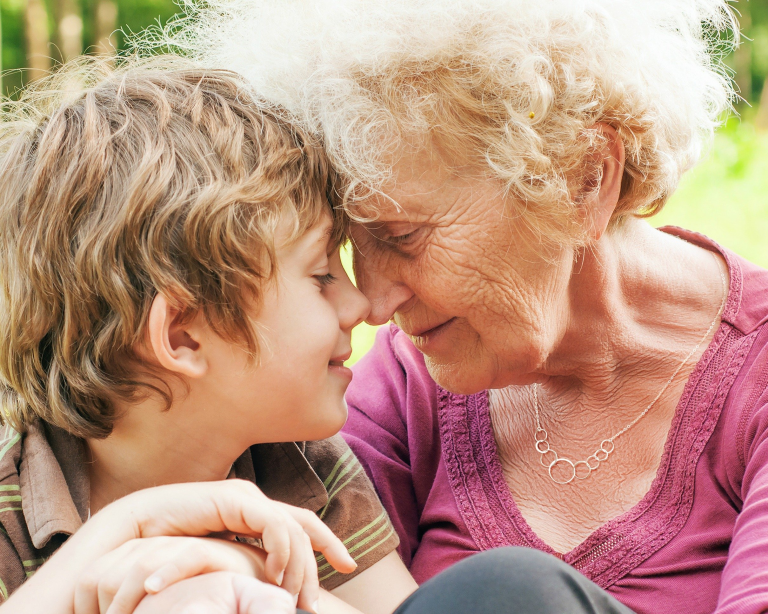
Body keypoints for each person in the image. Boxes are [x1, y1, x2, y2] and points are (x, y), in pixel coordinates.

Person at [170, 0, 768, 612]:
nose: (373, 305)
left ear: (585, 178)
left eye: (404, 237)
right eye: (348, 247)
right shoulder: (409, 383)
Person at [0, 56, 417, 614]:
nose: (360, 304)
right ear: (182, 336)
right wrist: (122, 532)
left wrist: (247, 575)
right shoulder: (10, 512)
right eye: (320, 276)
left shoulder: (299, 467)